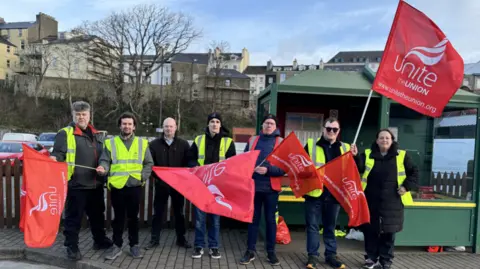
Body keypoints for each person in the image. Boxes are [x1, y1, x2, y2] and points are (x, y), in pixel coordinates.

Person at [50, 101, 112, 261]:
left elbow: (104, 156)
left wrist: (103, 167)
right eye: (78, 114)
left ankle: (99, 241)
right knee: (73, 218)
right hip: (76, 185)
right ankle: (71, 246)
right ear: (73, 115)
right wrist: (54, 158)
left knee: (98, 216)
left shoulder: (98, 134)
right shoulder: (65, 133)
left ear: (89, 115)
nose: (81, 117)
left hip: (96, 184)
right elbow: (58, 154)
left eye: (84, 114)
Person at [354, 129, 418, 269]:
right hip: (371, 200)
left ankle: (386, 260)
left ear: (392, 140)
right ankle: (371, 258)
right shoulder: (367, 154)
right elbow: (358, 168)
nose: (384, 140)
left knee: (389, 233)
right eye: (381, 138)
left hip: (393, 201)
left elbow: (414, 172)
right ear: (377, 140)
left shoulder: (402, 155)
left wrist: (406, 186)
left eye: (387, 138)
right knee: (370, 231)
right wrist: (355, 157)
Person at [96, 112, 154, 260]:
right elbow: (105, 160)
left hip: (134, 186)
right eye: (124, 123)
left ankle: (134, 245)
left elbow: (148, 163)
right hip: (117, 186)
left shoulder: (142, 143)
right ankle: (117, 245)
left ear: (134, 126)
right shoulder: (111, 143)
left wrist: (142, 176)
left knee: (133, 218)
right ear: (120, 125)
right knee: (118, 218)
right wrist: (103, 169)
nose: (127, 126)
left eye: (130, 124)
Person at [303, 117, 357, 269]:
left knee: (330, 226)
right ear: (323, 129)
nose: (331, 132)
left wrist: (356, 156)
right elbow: (301, 166)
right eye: (328, 129)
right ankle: (312, 256)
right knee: (313, 227)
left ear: (338, 131)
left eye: (334, 129)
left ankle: (331, 255)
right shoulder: (311, 145)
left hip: (334, 195)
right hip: (314, 194)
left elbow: (355, 169)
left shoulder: (346, 147)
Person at [187, 112, 236, 259]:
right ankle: (199, 246)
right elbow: (190, 158)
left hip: (218, 187)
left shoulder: (228, 142)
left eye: (217, 122)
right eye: (212, 121)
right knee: (200, 219)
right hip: (201, 185)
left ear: (220, 125)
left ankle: (214, 247)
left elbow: (232, 164)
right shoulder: (199, 139)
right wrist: (195, 166)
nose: (214, 124)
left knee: (215, 219)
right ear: (207, 124)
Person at [239, 114, 285, 266]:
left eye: (271, 123)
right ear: (262, 125)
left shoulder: (281, 142)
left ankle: (271, 252)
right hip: (253, 187)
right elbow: (244, 161)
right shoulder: (253, 140)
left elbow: (285, 168)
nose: (268, 126)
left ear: (276, 126)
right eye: (266, 123)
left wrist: (269, 170)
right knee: (253, 220)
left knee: (271, 221)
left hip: (271, 189)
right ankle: (250, 250)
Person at [145, 117, 192, 250]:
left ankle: (181, 239)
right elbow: (150, 165)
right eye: (166, 126)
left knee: (179, 213)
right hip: (161, 185)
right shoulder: (154, 145)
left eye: (171, 126)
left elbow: (188, 163)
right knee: (158, 213)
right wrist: (158, 178)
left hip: (178, 186)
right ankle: (154, 240)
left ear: (176, 127)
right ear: (162, 128)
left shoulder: (183, 144)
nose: (168, 129)